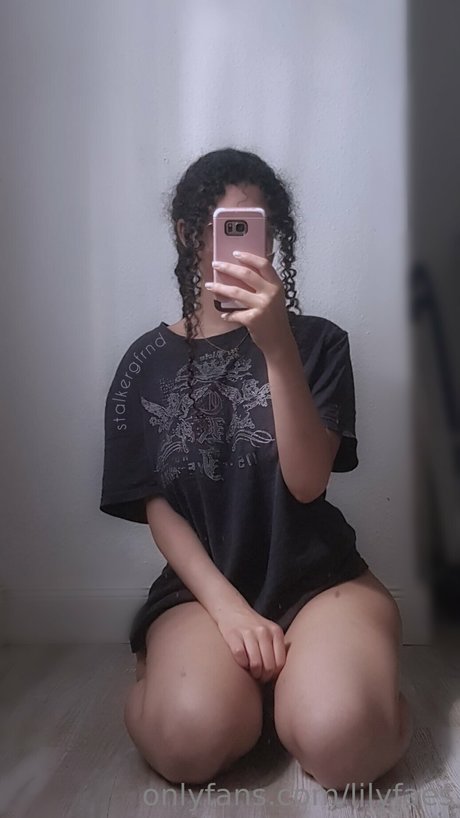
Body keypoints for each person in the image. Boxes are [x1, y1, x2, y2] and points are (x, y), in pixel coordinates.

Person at [100, 148, 413, 789]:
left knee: (344, 743)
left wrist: (277, 347)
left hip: (318, 583)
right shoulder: (143, 364)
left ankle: (344, 684)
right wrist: (229, 612)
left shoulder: (320, 343)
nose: (244, 245)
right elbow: (156, 507)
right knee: (187, 740)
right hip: (202, 591)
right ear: (188, 234)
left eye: (257, 228)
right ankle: (186, 683)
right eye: (226, 227)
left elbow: (307, 482)